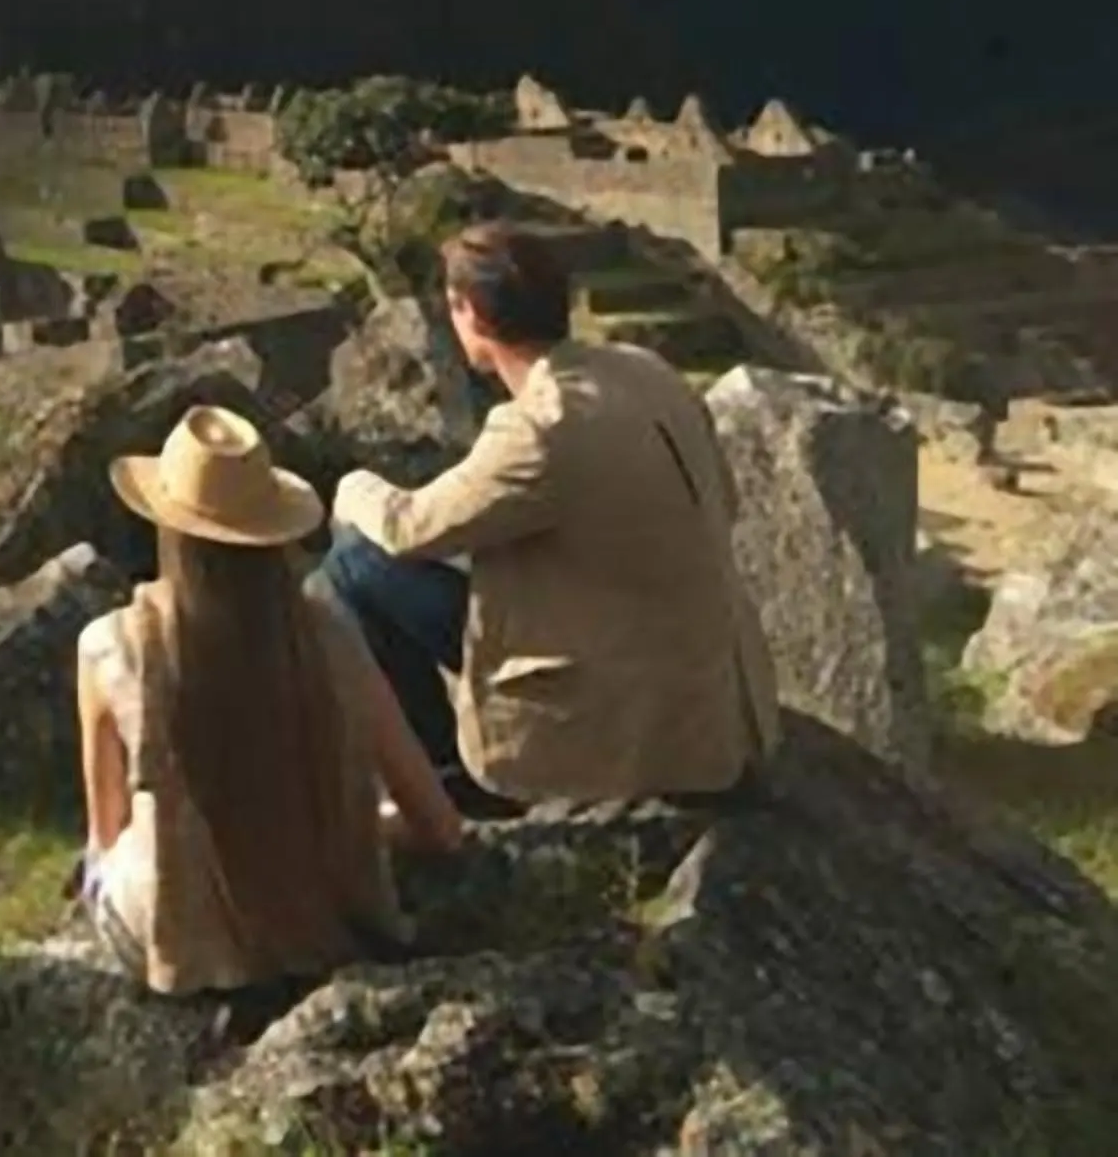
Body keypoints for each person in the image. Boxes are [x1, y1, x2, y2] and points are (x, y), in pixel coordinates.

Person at [320, 223, 779, 811]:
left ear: (474, 317)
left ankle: (448, 789)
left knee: (356, 565)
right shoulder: (645, 369)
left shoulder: (540, 427)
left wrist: (350, 487)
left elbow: (410, 528)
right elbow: (726, 497)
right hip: (711, 694)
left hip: (635, 713)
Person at [76, 406, 463, 996]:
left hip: (185, 944)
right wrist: (358, 827)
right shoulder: (331, 634)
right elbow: (437, 827)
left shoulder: (110, 647)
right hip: (328, 920)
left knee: (100, 857)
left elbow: (109, 834)